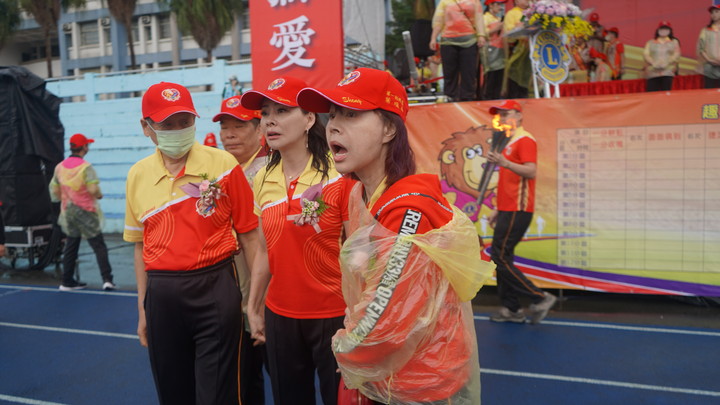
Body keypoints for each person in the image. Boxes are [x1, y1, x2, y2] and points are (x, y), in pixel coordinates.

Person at [297, 67, 494, 404]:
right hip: (387, 375)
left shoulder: (408, 211)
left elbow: (385, 320)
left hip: (417, 382)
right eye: (333, 114)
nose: (333, 125)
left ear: (389, 129)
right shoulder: (361, 192)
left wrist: (343, 348)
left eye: (351, 114)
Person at [124, 82, 269, 405]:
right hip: (161, 296)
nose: (178, 130)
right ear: (146, 128)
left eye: (185, 121)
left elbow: (249, 236)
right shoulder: (137, 175)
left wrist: (254, 303)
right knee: (173, 392)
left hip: (215, 289)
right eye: (167, 125)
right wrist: (143, 308)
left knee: (218, 394)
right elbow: (140, 246)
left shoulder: (223, 165)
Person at [240, 76, 351, 405]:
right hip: (280, 316)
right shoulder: (262, 177)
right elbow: (264, 249)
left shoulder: (339, 174)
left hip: (336, 316)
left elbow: (359, 250)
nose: (269, 121)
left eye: (282, 110)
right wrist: (253, 306)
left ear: (309, 119)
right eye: (265, 113)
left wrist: (359, 316)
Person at [212, 95, 267, 405]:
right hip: (230, 288)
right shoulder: (219, 171)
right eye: (225, 127)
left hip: (266, 287)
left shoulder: (270, 169)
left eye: (239, 126)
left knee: (279, 370)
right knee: (243, 375)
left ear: (259, 129)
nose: (229, 134)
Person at [484, 100, 557, 324]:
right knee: (502, 257)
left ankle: (540, 297)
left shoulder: (525, 139)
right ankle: (511, 308)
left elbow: (531, 171)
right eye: (499, 115)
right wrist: (497, 208)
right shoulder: (509, 141)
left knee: (499, 256)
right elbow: (508, 180)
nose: (502, 118)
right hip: (508, 207)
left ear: (518, 116)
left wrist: (504, 162)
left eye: (506, 114)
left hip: (519, 207)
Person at [49, 134, 115, 291]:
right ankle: (107, 280)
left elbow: (55, 190)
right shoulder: (86, 167)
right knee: (98, 245)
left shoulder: (59, 167)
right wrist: (99, 195)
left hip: (68, 211)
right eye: (87, 145)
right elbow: (93, 189)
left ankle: (67, 281)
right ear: (84, 147)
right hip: (86, 211)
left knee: (71, 245)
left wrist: (66, 198)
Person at [430, 0, 487, 101]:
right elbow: (438, 20)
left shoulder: (474, 1)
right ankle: (450, 96)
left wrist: (481, 35)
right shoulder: (445, 2)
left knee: (469, 72)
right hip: (448, 40)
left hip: (469, 40)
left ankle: (468, 97)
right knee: (449, 72)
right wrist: (433, 38)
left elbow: (479, 18)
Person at [503, 0, 531, 98]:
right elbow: (508, 32)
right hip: (517, 48)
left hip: (530, 50)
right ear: (517, 1)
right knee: (514, 74)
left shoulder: (532, 13)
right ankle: (514, 98)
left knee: (527, 74)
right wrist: (518, 27)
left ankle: (526, 97)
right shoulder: (511, 13)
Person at [644, 21, 681, 92]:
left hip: (667, 71)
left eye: (666, 29)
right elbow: (646, 54)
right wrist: (653, 62)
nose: (664, 31)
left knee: (666, 93)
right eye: (662, 29)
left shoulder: (674, 42)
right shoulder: (650, 42)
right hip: (653, 72)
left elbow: (676, 54)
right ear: (658, 30)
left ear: (670, 31)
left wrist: (667, 62)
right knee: (652, 94)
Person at [483, 0, 507, 100]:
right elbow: (483, 33)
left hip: (500, 50)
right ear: (490, 5)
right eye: (498, 4)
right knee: (491, 76)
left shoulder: (498, 18)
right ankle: (488, 98)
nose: (500, 7)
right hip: (490, 50)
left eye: (501, 5)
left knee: (499, 76)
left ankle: (496, 98)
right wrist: (497, 28)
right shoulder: (485, 17)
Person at [697, 2, 720, 89]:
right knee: (709, 91)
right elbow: (701, 48)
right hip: (709, 66)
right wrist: (709, 60)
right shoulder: (705, 30)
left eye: (716, 12)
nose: (714, 14)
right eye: (712, 12)